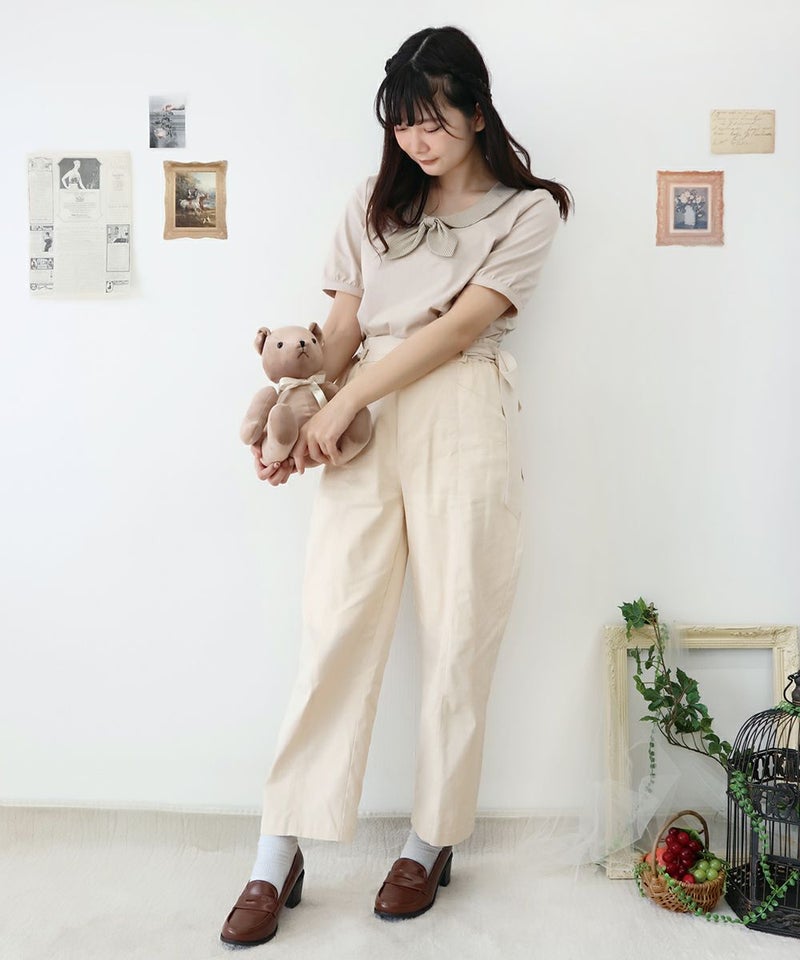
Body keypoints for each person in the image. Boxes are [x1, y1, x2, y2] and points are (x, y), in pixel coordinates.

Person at [220, 24, 573, 947]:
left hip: (464, 411)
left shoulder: (528, 211)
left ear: (477, 111)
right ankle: (277, 849)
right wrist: (302, 410)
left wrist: (346, 402)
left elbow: (457, 331)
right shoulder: (373, 204)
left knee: (460, 630)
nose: (417, 139)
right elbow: (343, 332)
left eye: (434, 119)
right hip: (363, 420)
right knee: (335, 626)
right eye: (403, 122)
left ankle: (429, 839)